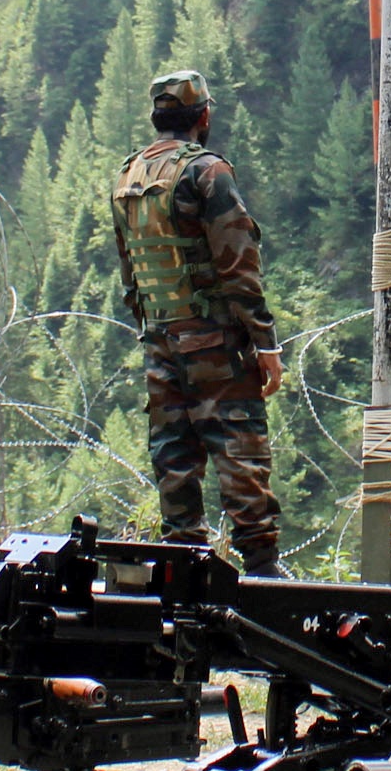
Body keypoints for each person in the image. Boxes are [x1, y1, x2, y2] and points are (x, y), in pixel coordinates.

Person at [112, 67, 284, 574]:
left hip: (160, 337)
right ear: (203, 115)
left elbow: (130, 273)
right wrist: (265, 342)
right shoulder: (207, 172)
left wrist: (160, 328)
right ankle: (261, 568)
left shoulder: (128, 177)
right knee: (239, 444)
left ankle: (183, 567)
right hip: (213, 339)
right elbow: (238, 265)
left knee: (174, 455)